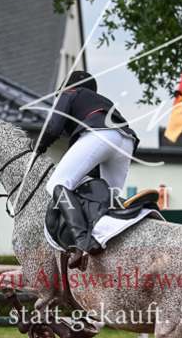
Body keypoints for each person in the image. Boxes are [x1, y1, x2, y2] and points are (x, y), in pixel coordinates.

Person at [33, 70, 138, 268]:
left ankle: (81, 241)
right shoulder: (102, 101)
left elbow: (53, 127)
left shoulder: (69, 93)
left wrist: (39, 145)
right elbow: (92, 176)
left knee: (56, 184)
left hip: (101, 136)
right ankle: (110, 249)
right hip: (126, 141)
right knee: (109, 199)